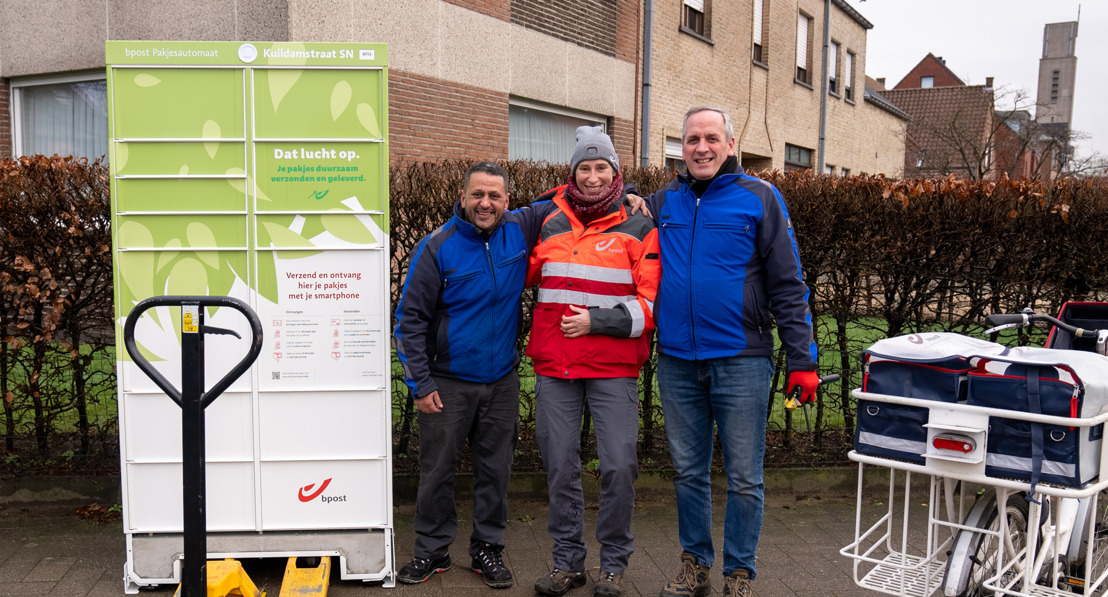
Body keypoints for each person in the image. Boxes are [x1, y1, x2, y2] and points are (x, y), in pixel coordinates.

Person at [640, 107, 820, 597]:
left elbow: (788, 284)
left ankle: (739, 572)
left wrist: (803, 360)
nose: (701, 147)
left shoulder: (760, 198)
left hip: (742, 359)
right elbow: (601, 199)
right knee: (688, 472)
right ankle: (694, 564)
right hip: (677, 360)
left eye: (711, 138)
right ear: (682, 146)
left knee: (744, 476)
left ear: (730, 143)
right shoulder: (664, 201)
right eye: (692, 138)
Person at [393, 161, 543, 589]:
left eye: (495, 196)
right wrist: (420, 383)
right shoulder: (438, 246)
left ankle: (486, 550)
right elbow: (408, 320)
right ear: (463, 197)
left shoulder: (520, 229)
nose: (485, 203)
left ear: (508, 201)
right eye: (477, 194)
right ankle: (432, 550)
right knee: (437, 470)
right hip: (447, 383)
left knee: (495, 470)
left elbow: (570, 196)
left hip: (501, 380)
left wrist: (632, 199)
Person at [527, 126, 660, 597]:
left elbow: (651, 306)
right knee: (560, 466)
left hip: (612, 365)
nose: (593, 176)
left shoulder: (640, 224)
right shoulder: (548, 220)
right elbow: (517, 272)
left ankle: (614, 566)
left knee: (619, 467)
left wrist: (597, 321)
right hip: (556, 364)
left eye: (601, 166)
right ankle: (568, 564)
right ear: (572, 174)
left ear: (615, 172)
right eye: (584, 167)